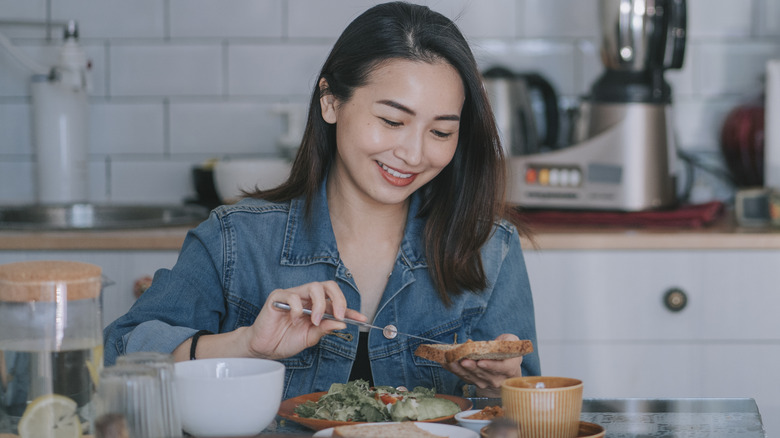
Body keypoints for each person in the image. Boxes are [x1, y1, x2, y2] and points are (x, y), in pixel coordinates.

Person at [103, 1, 541, 399]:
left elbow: (531, 406)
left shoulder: (490, 248)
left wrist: (506, 390)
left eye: (441, 132)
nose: (413, 153)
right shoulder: (236, 240)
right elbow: (115, 357)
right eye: (392, 121)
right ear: (331, 101)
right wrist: (245, 346)